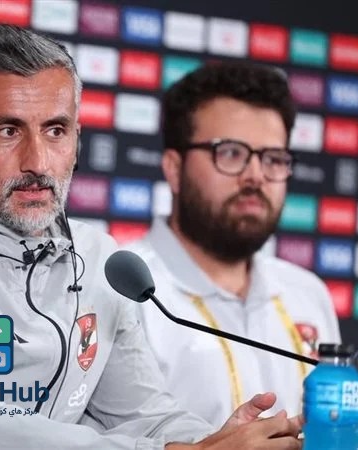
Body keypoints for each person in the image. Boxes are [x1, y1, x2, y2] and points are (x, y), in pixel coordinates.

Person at [0, 25, 303, 449]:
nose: (37, 162)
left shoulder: (99, 261)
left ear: (77, 141)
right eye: (8, 131)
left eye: (56, 130)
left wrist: (221, 441)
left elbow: (145, 417)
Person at [125, 62, 341, 427]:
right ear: (174, 169)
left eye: (273, 159)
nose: (255, 176)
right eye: (230, 153)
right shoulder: (126, 295)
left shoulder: (308, 294)